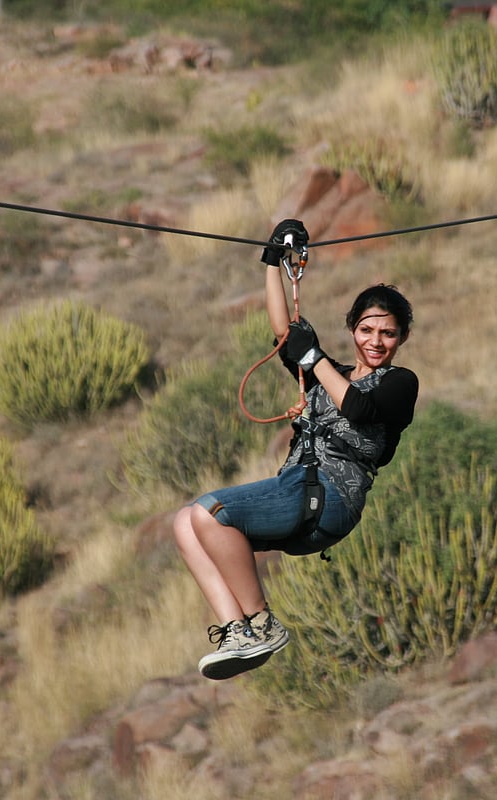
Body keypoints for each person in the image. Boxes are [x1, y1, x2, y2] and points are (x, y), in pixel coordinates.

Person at [171, 219, 419, 680]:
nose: (376, 341)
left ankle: (262, 623)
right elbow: (284, 331)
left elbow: (359, 408)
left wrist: (314, 358)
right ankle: (238, 629)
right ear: (352, 329)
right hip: (298, 488)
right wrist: (272, 261)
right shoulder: (328, 373)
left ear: (401, 338)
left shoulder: (400, 383)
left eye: (387, 334)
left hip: (330, 498)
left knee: (210, 511)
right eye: (367, 330)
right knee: (186, 523)